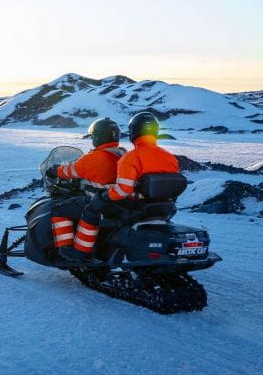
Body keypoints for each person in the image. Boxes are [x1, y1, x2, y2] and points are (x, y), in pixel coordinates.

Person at [60, 112, 178, 262]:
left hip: (136, 206)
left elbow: (124, 189)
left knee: (91, 210)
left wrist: (103, 196)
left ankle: (81, 252)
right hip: (163, 207)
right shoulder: (169, 157)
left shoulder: (131, 157)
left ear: (133, 132)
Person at [47, 118, 124, 252]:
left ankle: (66, 249)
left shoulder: (94, 158)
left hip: (98, 200)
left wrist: (54, 170)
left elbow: (69, 171)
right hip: (119, 201)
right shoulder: (123, 154)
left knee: (59, 210)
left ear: (98, 137)